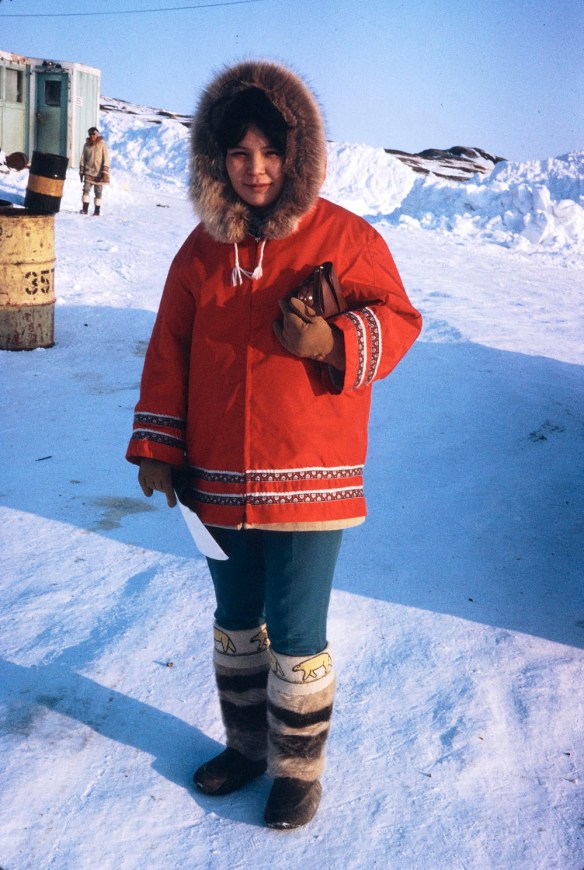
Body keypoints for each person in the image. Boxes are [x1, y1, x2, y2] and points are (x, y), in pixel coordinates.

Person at [126, 60, 422, 829]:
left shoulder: (344, 237)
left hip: (311, 483)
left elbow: (399, 322)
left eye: (270, 152)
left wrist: (333, 339)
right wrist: (158, 444)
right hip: (215, 483)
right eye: (238, 153)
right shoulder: (198, 254)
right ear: (215, 160)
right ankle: (245, 747)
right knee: (235, 623)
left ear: (297, 155)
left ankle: (297, 772)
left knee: (297, 630)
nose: (255, 169)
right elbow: (169, 351)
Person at [79, 126, 109, 215]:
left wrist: (105, 170)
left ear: (97, 134)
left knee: (98, 192)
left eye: (94, 134)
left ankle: (97, 211)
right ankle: (85, 209)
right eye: (90, 134)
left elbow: (106, 158)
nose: (92, 136)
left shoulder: (102, 144)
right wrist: (82, 169)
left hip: (99, 173)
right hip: (89, 171)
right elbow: (83, 158)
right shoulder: (86, 145)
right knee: (86, 190)